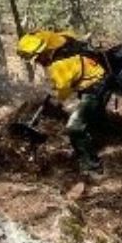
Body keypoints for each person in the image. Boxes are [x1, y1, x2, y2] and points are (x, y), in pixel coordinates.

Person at [16, 30, 110, 172]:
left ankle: (92, 166)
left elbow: (63, 93)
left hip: (95, 86)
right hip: (95, 74)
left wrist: (53, 98)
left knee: (74, 126)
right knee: (93, 116)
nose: (37, 62)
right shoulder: (57, 39)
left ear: (42, 52)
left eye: (37, 58)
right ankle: (104, 136)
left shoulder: (59, 66)